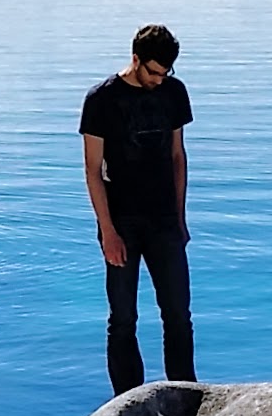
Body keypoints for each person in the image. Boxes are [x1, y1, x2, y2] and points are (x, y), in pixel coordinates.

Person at [79, 23, 195, 396]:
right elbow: (93, 171)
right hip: (121, 222)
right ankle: (127, 402)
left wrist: (180, 218)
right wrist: (108, 231)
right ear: (135, 59)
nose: (160, 80)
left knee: (178, 315)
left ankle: (183, 396)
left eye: (166, 73)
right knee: (123, 318)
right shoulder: (101, 100)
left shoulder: (174, 93)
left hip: (164, 220)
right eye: (153, 72)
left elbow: (178, 157)